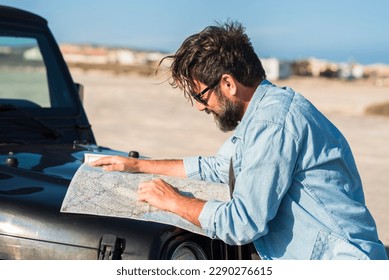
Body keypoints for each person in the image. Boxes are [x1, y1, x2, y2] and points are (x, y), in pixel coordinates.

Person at [91, 21, 388, 260]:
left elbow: (241, 224)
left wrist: (173, 201)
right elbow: (221, 167)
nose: (199, 106)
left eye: (200, 95)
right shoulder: (265, 111)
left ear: (228, 84)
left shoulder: (273, 124)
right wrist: (138, 166)